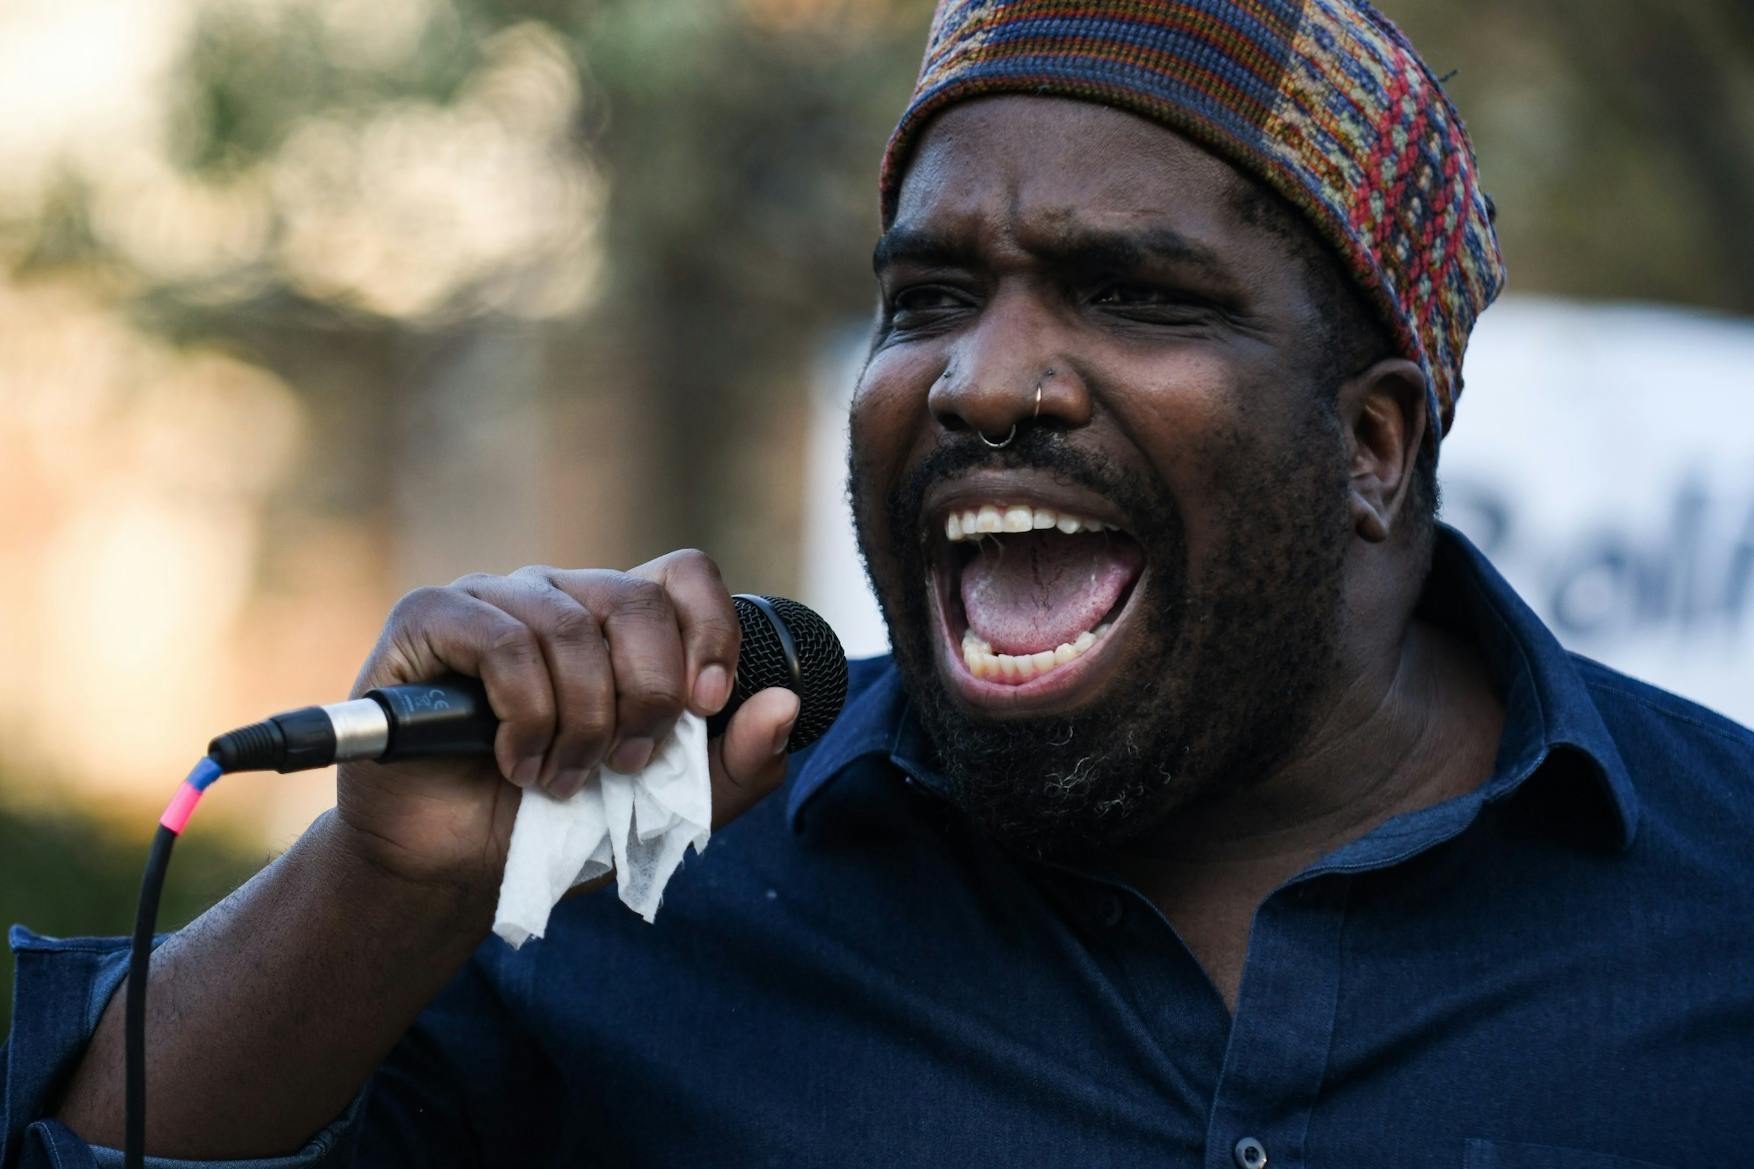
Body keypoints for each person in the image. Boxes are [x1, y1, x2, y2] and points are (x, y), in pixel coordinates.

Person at [7, 1, 1752, 1165]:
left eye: (1131, 293)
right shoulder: (633, 885)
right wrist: (378, 883)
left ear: (1370, 447)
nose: (983, 380)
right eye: (926, 298)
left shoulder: (1715, 898)